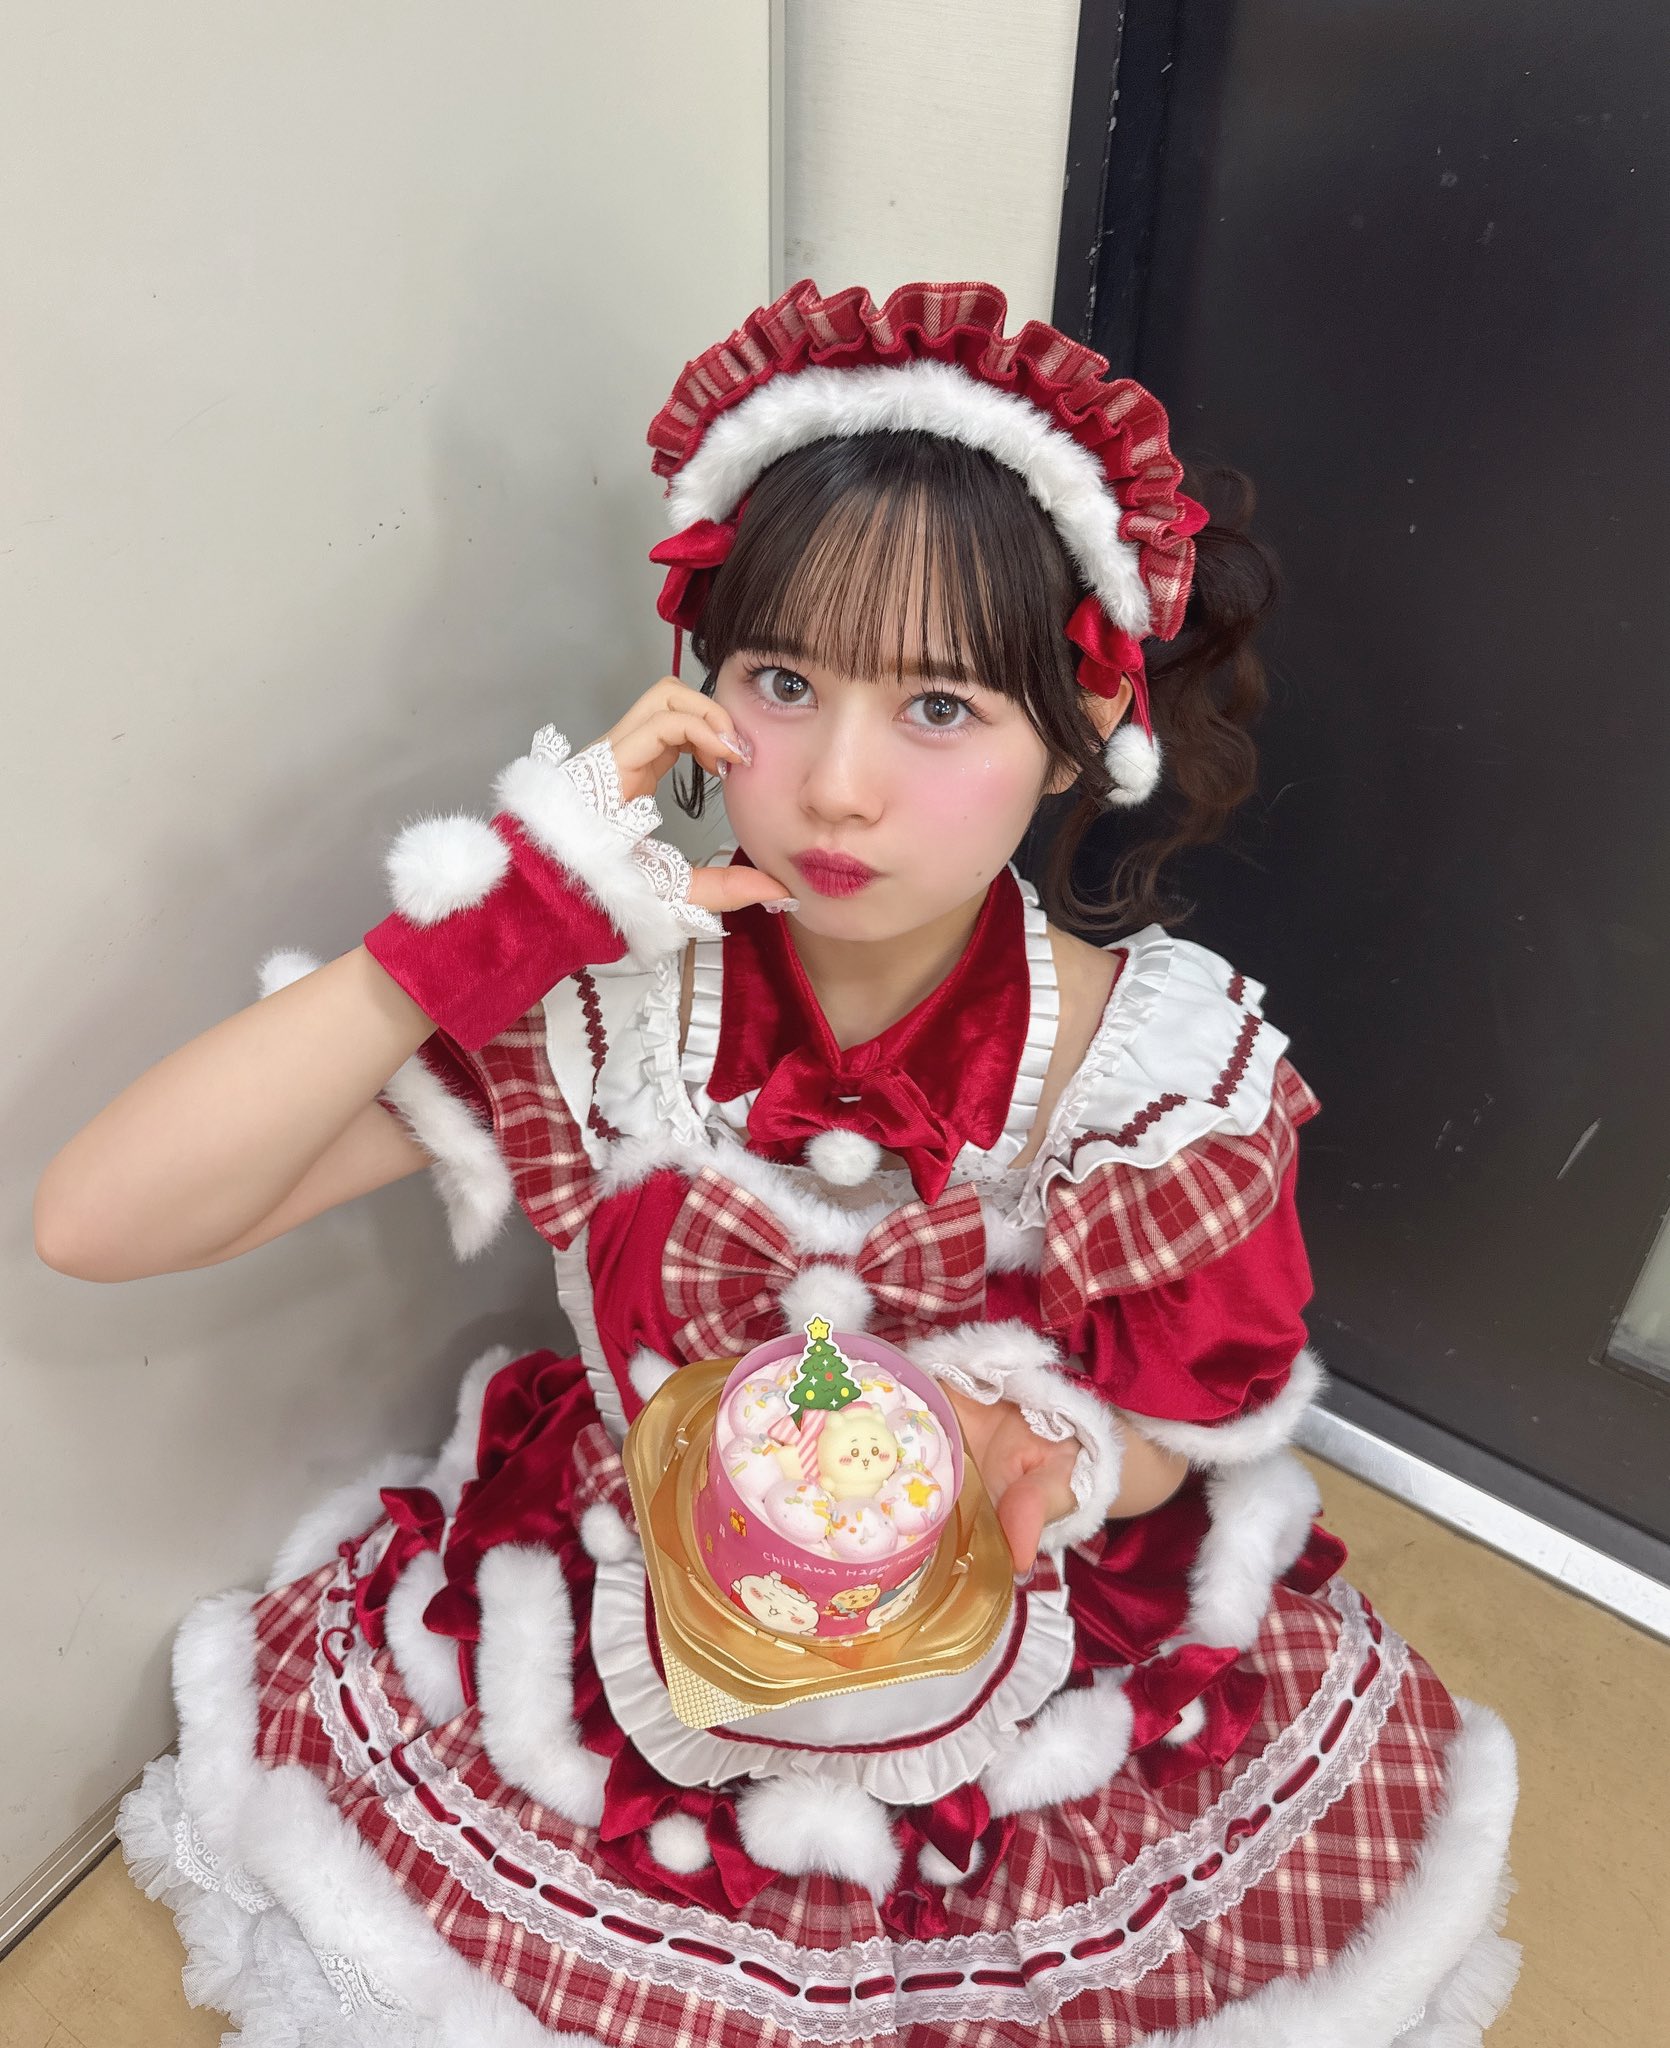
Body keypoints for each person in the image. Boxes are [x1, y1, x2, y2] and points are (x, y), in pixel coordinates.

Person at [36, 278, 1520, 2044]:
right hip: (633, 1587)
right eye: (783, 682)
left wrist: (1050, 1462)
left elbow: (1178, 1425)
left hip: (1000, 1621)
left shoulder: (1151, 1076)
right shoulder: (611, 1010)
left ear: (1076, 719)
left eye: (940, 707)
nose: (834, 787)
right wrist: (501, 914)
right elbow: (98, 1221)